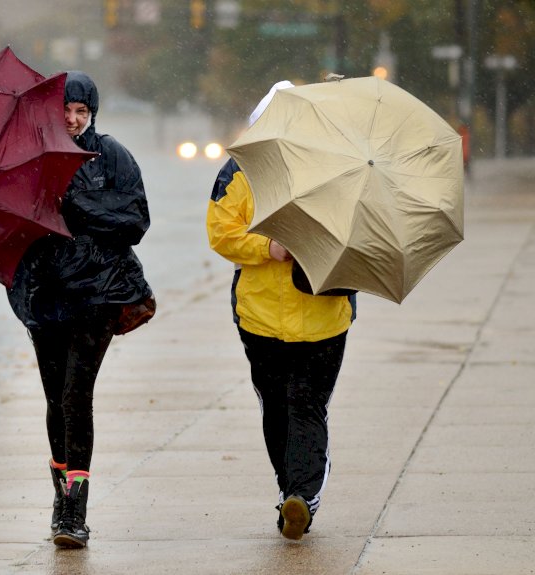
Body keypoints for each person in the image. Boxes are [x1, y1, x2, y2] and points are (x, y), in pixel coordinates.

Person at [7, 71, 153, 549]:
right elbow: (14, 226)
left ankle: (76, 511)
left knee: (76, 396)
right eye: (66, 111)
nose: (72, 120)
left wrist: (76, 204)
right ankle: (59, 496)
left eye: (81, 112)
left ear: (93, 114)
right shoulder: (32, 158)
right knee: (54, 399)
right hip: (46, 295)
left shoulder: (112, 156)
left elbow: (134, 221)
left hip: (98, 294)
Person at [206, 81, 355, 540]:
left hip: (324, 315)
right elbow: (220, 232)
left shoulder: (338, 171)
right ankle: (289, 492)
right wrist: (266, 247)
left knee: (305, 406)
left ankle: (303, 495)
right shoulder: (239, 174)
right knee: (275, 408)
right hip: (260, 317)